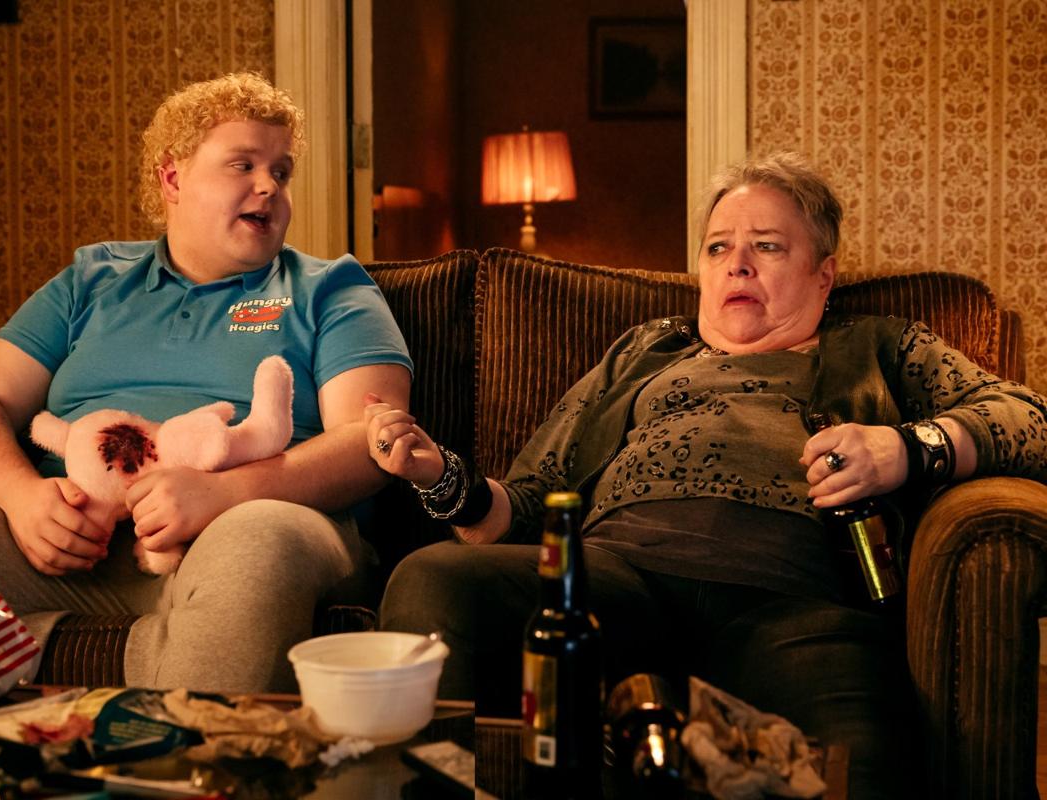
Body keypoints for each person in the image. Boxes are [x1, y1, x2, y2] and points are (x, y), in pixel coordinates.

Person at [364, 151, 1047, 798]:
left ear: (824, 275)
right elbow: (528, 501)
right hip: (614, 584)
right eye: (719, 247)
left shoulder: (881, 345)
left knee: (854, 762)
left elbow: (1030, 418)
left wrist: (908, 447)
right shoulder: (644, 350)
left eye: (767, 246)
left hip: (790, 603)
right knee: (430, 576)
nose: (737, 264)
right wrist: (440, 477)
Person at [0, 72, 413, 693]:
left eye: (281, 172)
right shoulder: (92, 279)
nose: (268, 187)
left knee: (257, 541)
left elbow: (371, 443)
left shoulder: (331, 288)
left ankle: (185, 737)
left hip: (247, 529)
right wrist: (21, 498)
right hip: (76, 541)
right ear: (172, 179)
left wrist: (224, 494)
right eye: (243, 165)